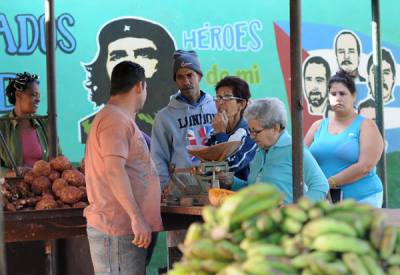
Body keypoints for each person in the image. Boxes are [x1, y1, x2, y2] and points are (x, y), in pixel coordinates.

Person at [84, 61, 163, 275]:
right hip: (117, 230)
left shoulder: (120, 119)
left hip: (123, 231)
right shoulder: (115, 120)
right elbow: (114, 171)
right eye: (145, 88)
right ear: (139, 86)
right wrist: (136, 218)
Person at [151, 49, 216, 267]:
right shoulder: (165, 116)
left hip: (214, 190)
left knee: (214, 250)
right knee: (182, 254)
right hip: (181, 194)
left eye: (190, 75)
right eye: (180, 76)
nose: (186, 81)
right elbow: (157, 156)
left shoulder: (217, 107)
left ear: (199, 75)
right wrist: (165, 187)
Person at [80, 17, 176, 142]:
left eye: (143, 54)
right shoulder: (91, 126)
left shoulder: (177, 121)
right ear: (102, 66)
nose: (131, 62)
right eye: (118, 55)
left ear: (164, 63)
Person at [305, 70, 384, 207]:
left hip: (363, 199)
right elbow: (301, 159)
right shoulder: (317, 126)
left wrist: (329, 182)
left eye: (342, 93)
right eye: (333, 94)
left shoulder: (366, 126)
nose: (337, 98)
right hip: (324, 201)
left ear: (353, 96)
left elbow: (365, 166)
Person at [231, 98, 329, 204]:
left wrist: (296, 208)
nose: (252, 136)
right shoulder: (260, 150)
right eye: (250, 131)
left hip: (286, 219)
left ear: (275, 128)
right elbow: (254, 188)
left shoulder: (294, 149)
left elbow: (320, 185)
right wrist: (232, 182)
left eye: (256, 131)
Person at [207, 76, 257, 182]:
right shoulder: (213, 132)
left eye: (227, 98)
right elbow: (206, 167)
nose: (220, 103)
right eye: (218, 98)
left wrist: (221, 133)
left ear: (242, 104)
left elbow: (231, 166)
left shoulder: (250, 132)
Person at [0, 72, 51, 175]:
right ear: (18, 95)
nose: (38, 100)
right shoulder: (2, 125)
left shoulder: (45, 123)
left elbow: (58, 157)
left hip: (42, 188)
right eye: (33, 95)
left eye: (39, 96)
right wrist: (14, 174)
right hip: (13, 188)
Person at [358, 48, 397, 119]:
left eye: (386, 73)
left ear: (393, 77)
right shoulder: (363, 108)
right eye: (376, 72)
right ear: (369, 78)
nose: (382, 78)